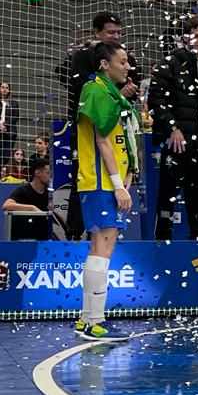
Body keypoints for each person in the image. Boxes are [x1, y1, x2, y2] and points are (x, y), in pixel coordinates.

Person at [73, 43, 141, 341]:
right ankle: (95, 322)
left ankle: (86, 318)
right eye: (122, 62)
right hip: (101, 183)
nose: (127, 67)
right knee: (104, 248)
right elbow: (103, 142)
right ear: (104, 64)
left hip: (104, 183)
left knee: (98, 248)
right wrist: (117, 185)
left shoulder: (108, 93)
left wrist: (127, 175)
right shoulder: (97, 92)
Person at [148, 17, 198, 241]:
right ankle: (162, 239)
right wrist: (172, 127)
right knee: (168, 195)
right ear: (185, 37)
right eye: (196, 35)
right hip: (176, 142)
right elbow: (156, 99)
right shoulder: (170, 62)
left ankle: (197, 238)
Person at [64, 12, 140, 240]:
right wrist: (117, 94)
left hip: (117, 138)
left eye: (119, 32)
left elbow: (130, 95)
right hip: (92, 134)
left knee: (106, 242)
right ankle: (75, 234)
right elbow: (81, 90)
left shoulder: (124, 58)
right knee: (85, 181)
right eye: (110, 32)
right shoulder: (84, 60)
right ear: (96, 33)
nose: (116, 36)